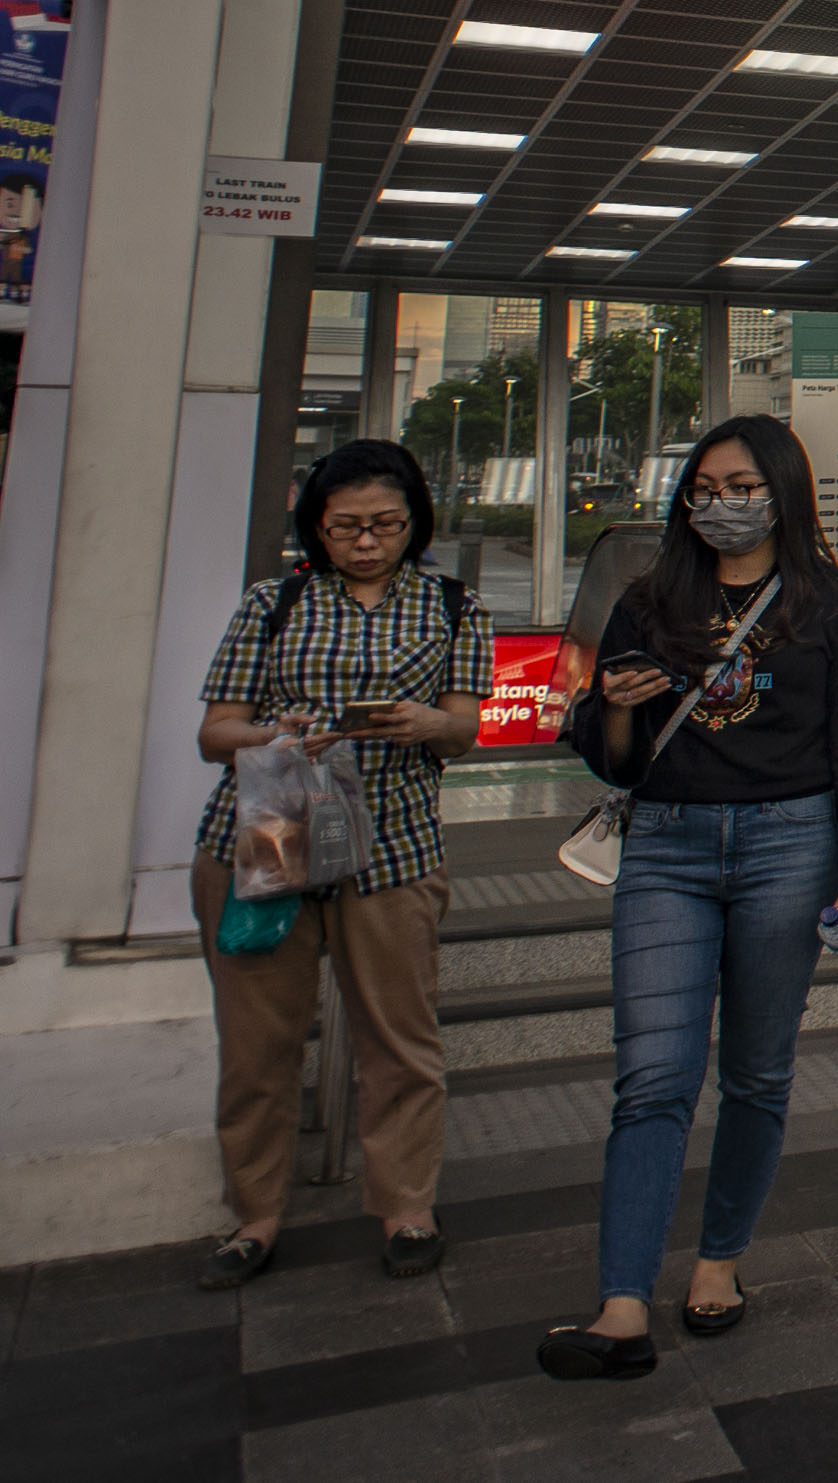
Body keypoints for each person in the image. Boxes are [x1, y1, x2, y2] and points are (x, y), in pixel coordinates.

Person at [539, 416, 838, 1380]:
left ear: (784, 491)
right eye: (704, 487)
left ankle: (719, 1262)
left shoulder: (836, 604)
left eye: (743, 484)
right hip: (667, 848)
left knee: (756, 1072)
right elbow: (608, 752)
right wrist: (618, 708)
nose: (721, 503)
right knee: (653, 1078)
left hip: (790, 849)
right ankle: (623, 1302)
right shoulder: (648, 600)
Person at [186, 440, 490, 1291]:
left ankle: (405, 1206)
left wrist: (420, 722)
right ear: (316, 526)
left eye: (386, 524)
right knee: (257, 1045)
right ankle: (253, 1214)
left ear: (414, 523)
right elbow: (216, 731)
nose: (366, 542)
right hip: (267, 840)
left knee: (400, 1041)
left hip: (391, 848)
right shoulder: (274, 601)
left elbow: (463, 728)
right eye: (346, 526)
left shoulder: (455, 604)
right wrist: (279, 735)